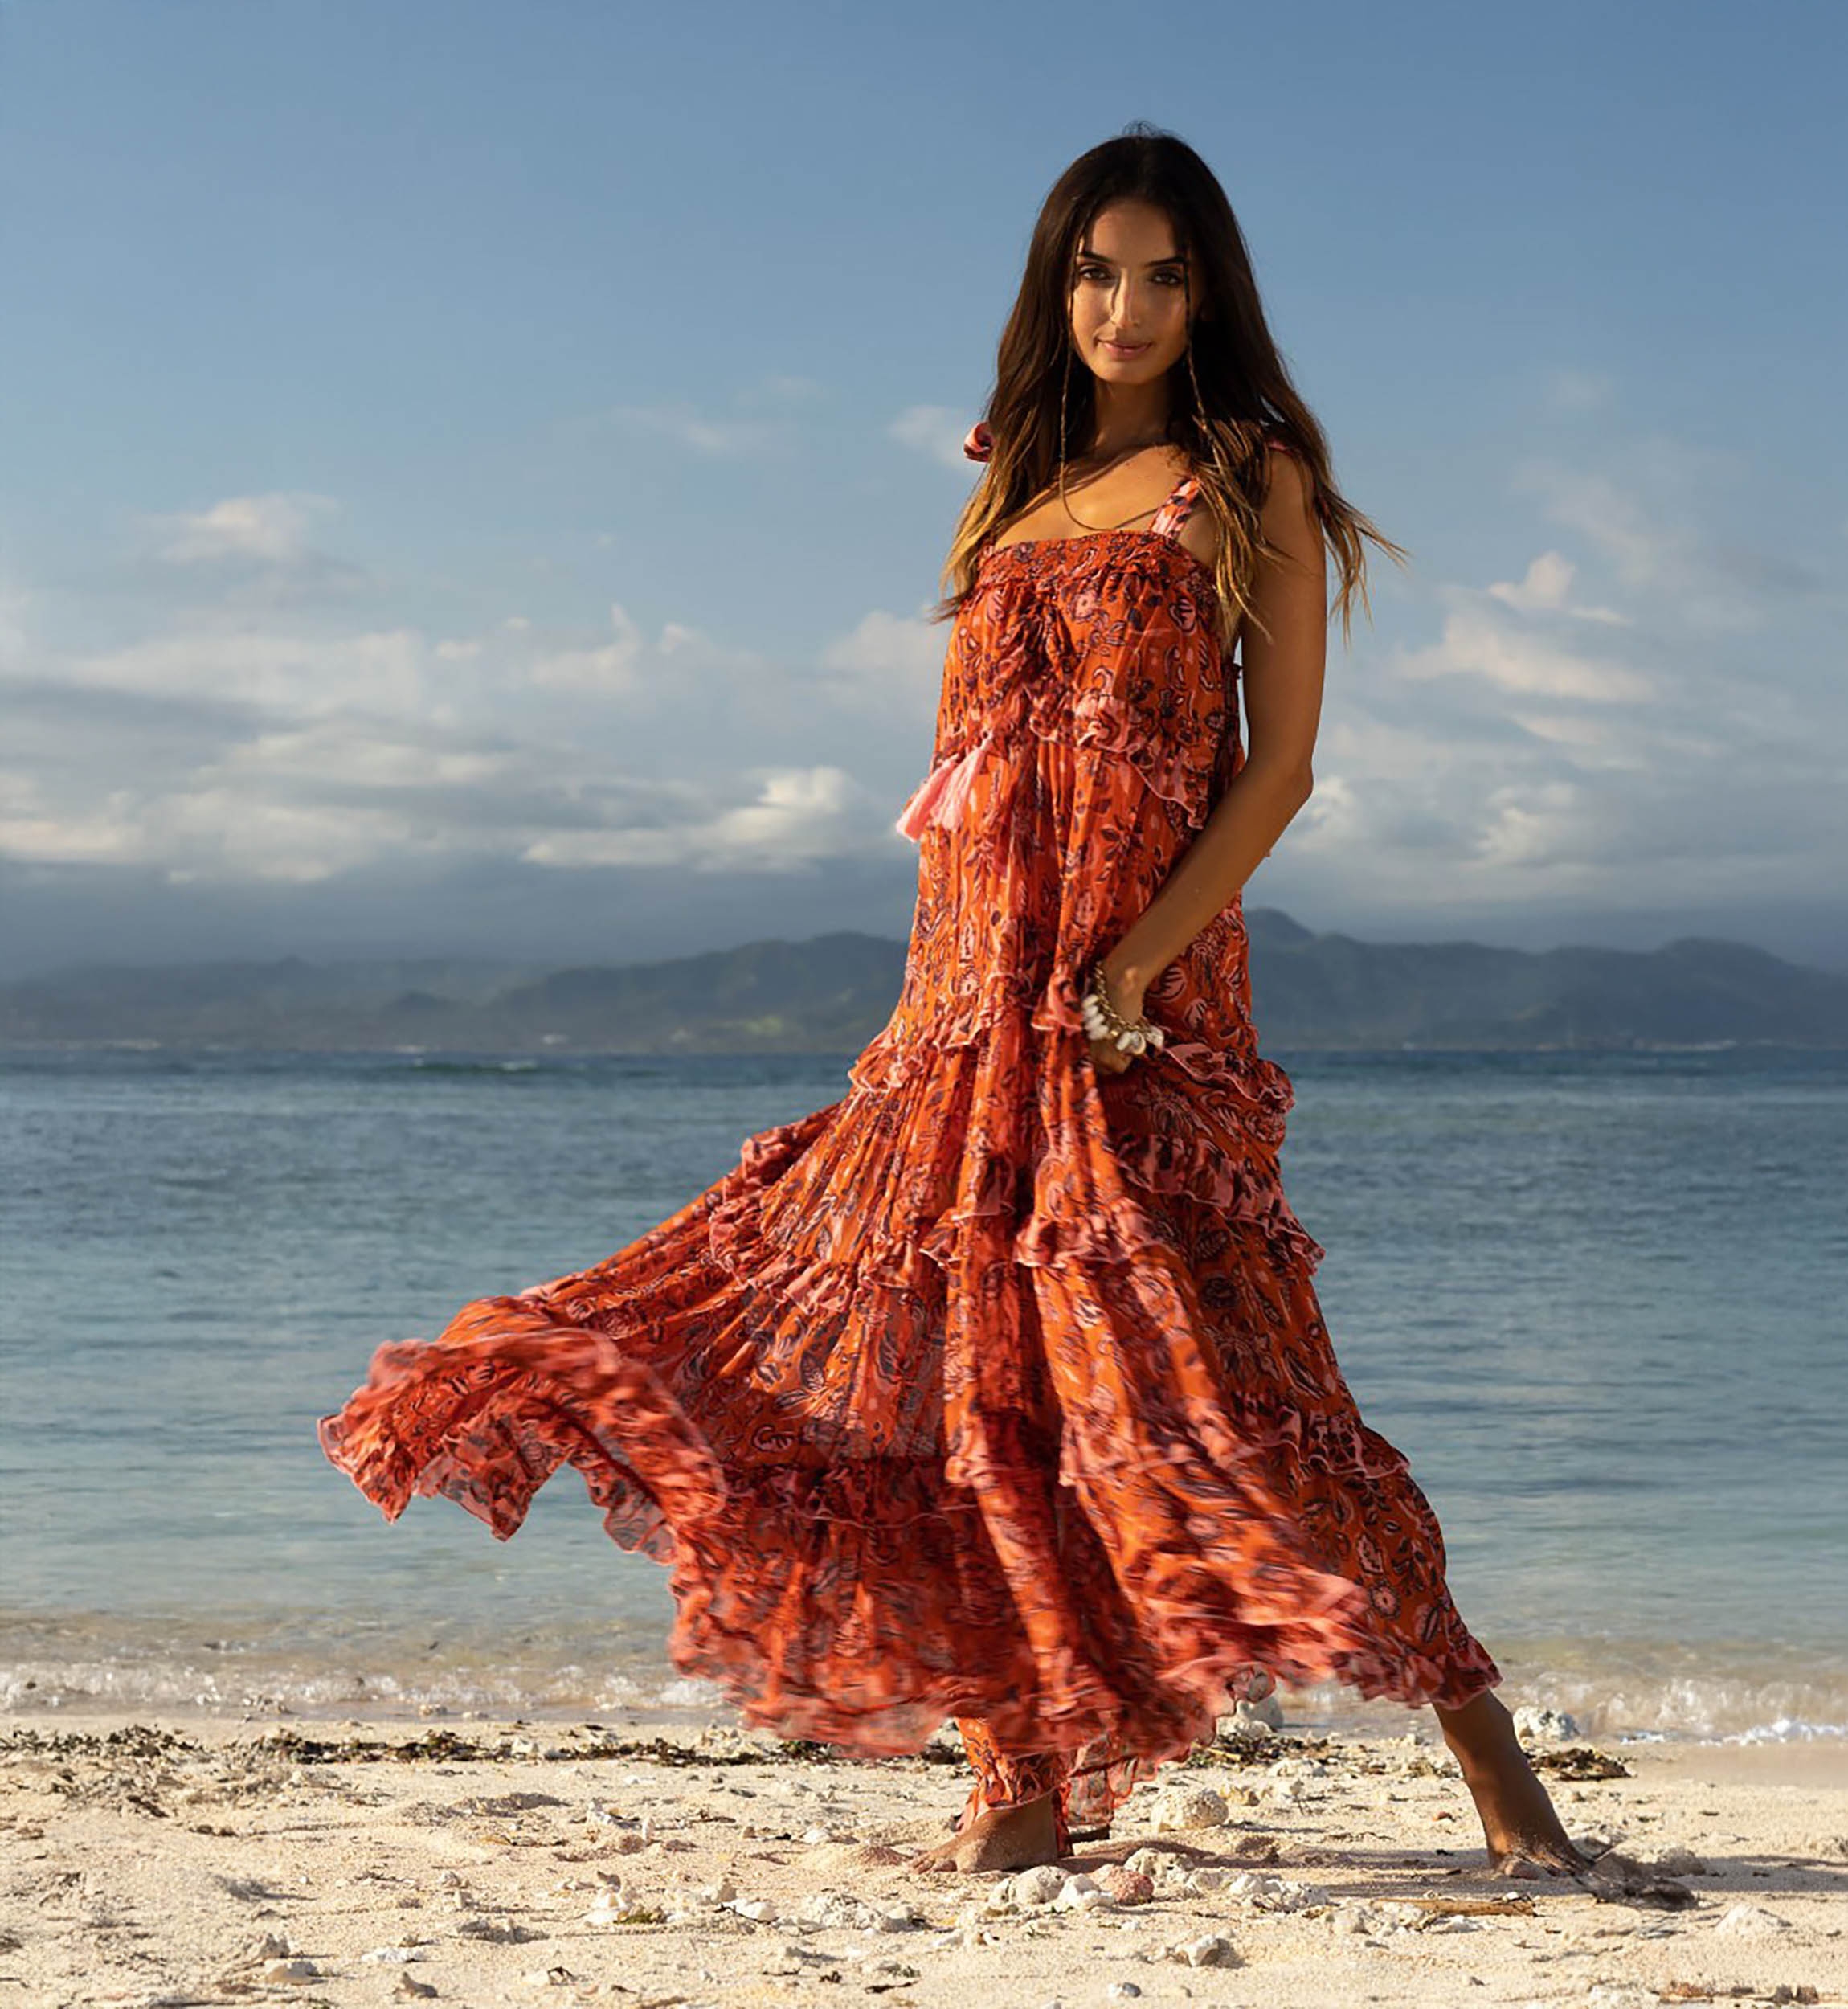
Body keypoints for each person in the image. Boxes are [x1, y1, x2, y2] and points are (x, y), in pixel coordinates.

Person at [318, 124, 1605, 1886]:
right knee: (953, 1396)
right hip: (964, 1009)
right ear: (1051, 284)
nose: (1127, 306)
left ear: (1210, 287)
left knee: (1238, 1392)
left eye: (1163, 273)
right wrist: (943, 1001)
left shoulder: (1248, 476)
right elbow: (961, 766)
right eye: (1095, 270)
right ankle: (1017, 1779)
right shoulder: (1004, 485)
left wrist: (1137, 962)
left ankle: (1499, 1775)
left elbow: (1280, 769)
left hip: (1139, 1011)